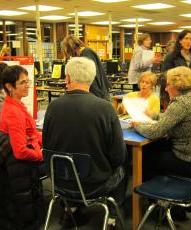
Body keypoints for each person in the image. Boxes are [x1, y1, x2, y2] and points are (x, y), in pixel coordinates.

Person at [43, 57, 127, 227]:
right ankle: (111, 217)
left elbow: (47, 145)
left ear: (67, 78)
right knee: (122, 169)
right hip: (94, 184)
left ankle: (72, 209)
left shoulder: (53, 107)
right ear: (92, 78)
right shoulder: (105, 108)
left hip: (60, 181)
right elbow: (119, 156)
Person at [133, 66, 191, 226]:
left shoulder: (180, 104)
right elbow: (172, 118)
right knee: (157, 149)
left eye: (168, 84)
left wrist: (136, 124)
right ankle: (169, 208)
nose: (165, 88)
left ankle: (158, 203)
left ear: (178, 87)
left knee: (147, 156)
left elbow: (155, 132)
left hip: (187, 160)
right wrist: (155, 115)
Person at [0, 65, 43, 230]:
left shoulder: (17, 106)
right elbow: (20, 151)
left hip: (18, 169)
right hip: (19, 170)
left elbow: (31, 133)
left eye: (28, 81)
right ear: (10, 87)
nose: (28, 86)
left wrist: (42, 140)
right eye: (23, 83)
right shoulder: (13, 112)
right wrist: (41, 155)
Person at [61, 35, 110, 100]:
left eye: (68, 52)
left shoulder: (87, 53)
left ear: (71, 48)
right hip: (95, 92)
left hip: (97, 93)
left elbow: (93, 77)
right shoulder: (83, 54)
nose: (70, 55)